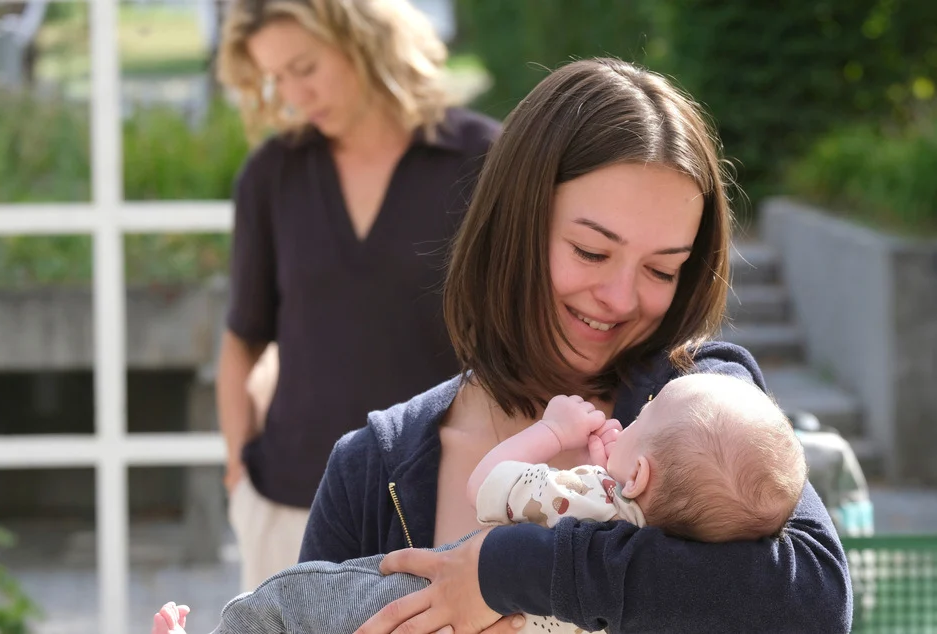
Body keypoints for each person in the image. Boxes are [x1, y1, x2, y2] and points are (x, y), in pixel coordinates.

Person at [298, 56, 852, 634]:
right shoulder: (370, 469)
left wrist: (505, 571)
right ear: (515, 223)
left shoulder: (703, 398)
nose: (619, 298)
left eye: (662, 271)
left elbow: (815, 601)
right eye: (591, 252)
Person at [152, 373, 808, 634]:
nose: (634, 408)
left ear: (635, 477)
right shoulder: (675, 580)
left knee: (286, 605)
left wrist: (553, 433)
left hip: (409, 600)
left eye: (647, 411)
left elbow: (488, 486)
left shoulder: (583, 498)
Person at [213, 0, 500, 591]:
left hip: (440, 504)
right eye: (277, 78)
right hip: (289, 499)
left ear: (363, 40)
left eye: (305, 67)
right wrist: (239, 473)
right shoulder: (272, 175)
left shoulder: (484, 160)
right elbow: (244, 336)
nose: (293, 93)